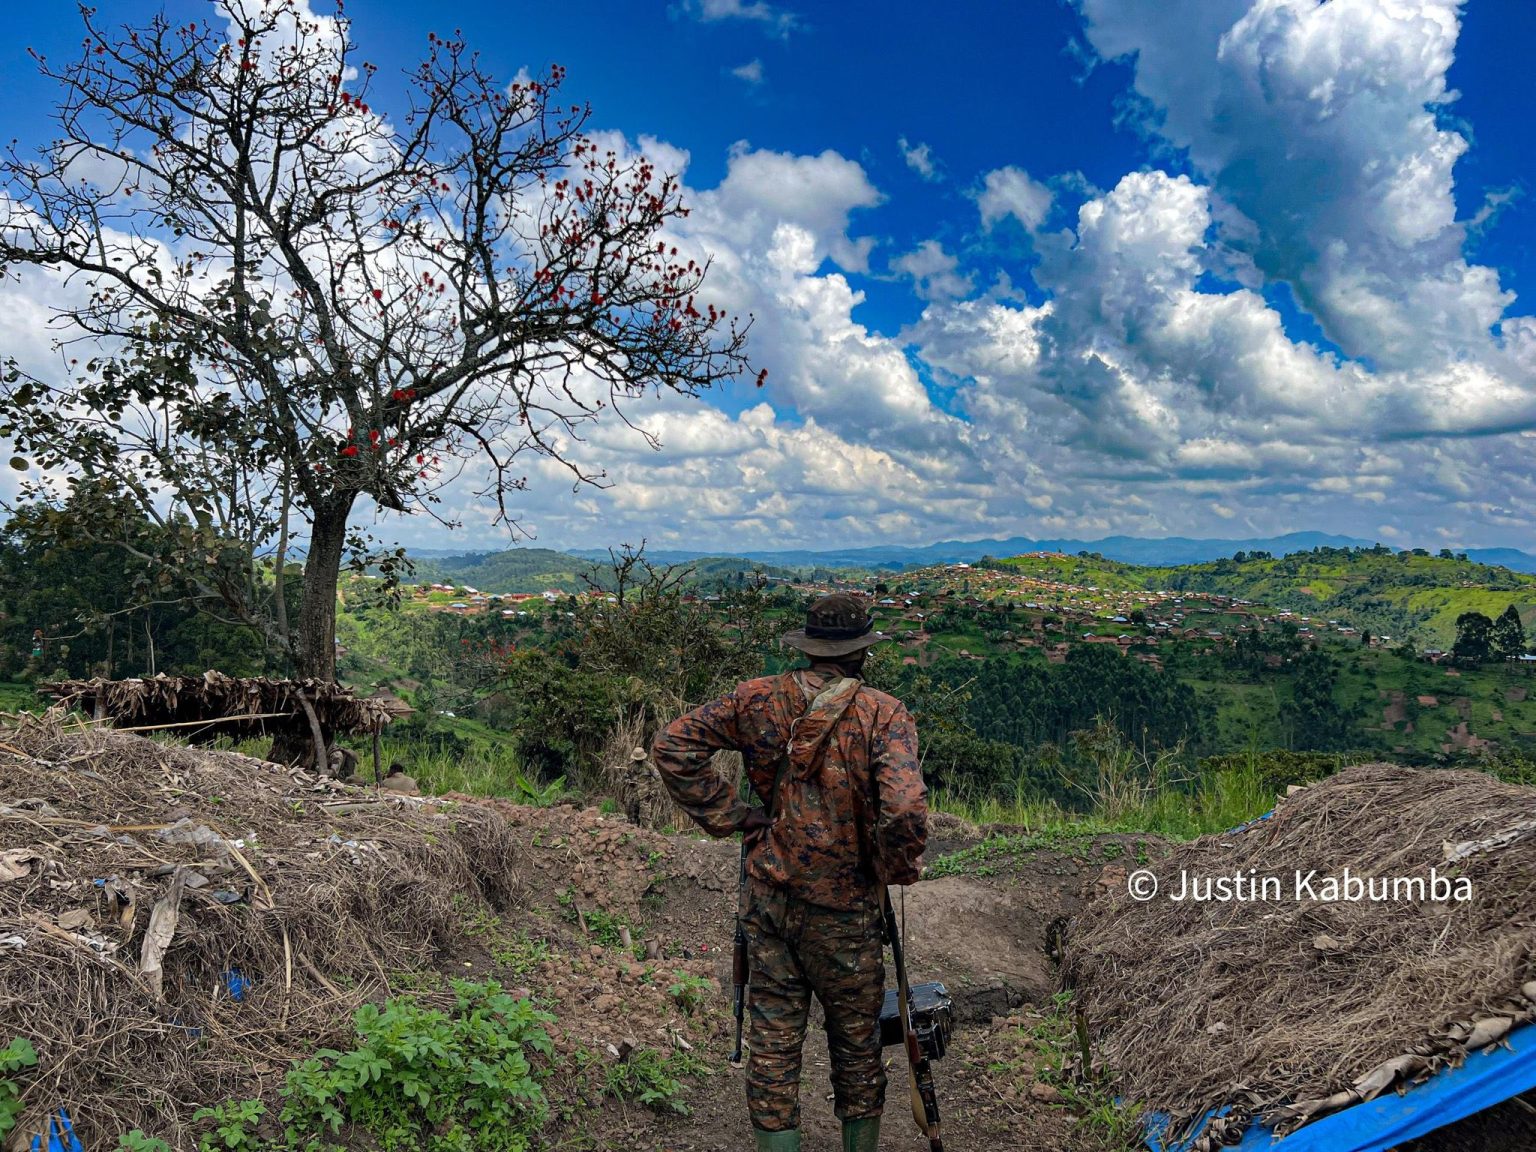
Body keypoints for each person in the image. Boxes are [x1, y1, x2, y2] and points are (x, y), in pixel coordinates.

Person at [651, 592, 927, 1152]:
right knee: (857, 1046)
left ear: (807, 647)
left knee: (773, 1043)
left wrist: (736, 817)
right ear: (861, 653)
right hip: (847, 911)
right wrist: (893, 866)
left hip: (769, 899)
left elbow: (673, 745)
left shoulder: (756, 700)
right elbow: (903, 808)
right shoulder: (883, 714)